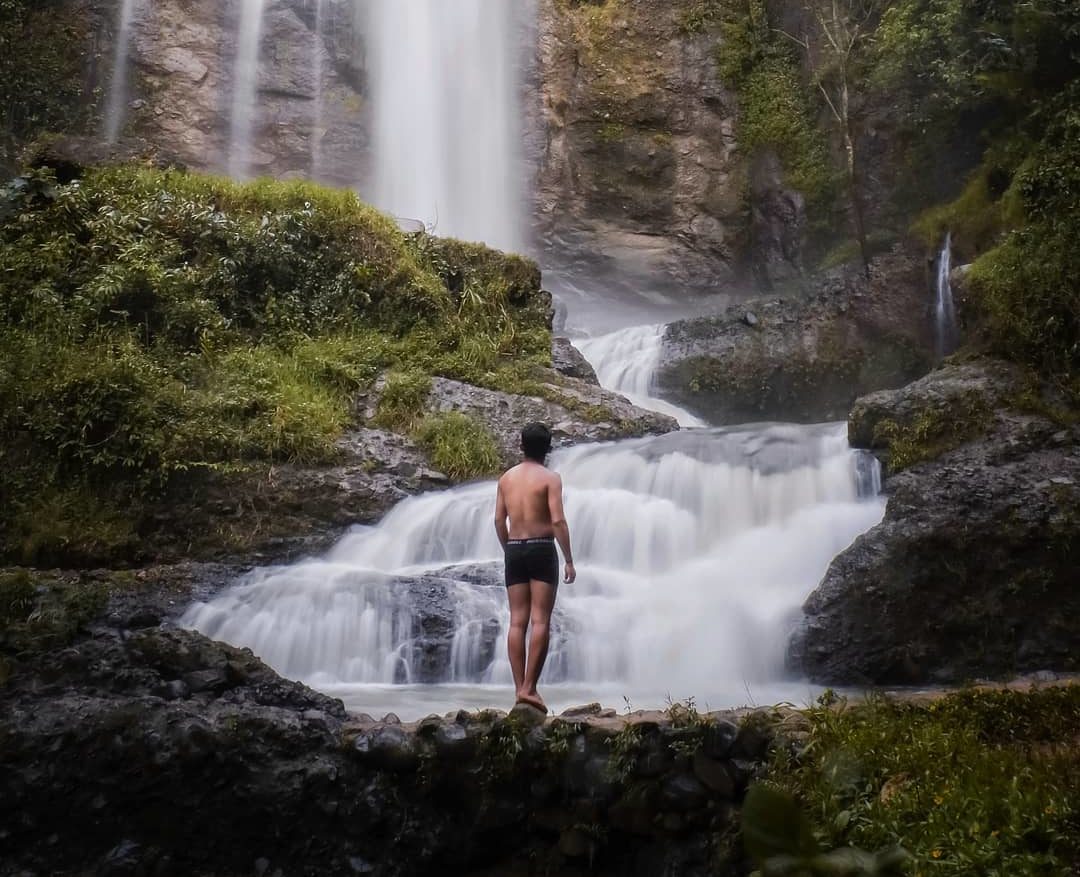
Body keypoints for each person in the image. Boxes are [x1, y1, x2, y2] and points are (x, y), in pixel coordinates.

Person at [494, 422, 576, 713]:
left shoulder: (506, 478)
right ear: (548, 449)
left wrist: (508, 549)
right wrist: (568, 558)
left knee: (517, 621)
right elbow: (557, 521)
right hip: (542, 547)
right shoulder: (550, 479)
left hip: (514, 549)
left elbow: (498, 521)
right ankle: (530, 688)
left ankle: (519, 690)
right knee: (540, 620)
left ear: (521, 445)